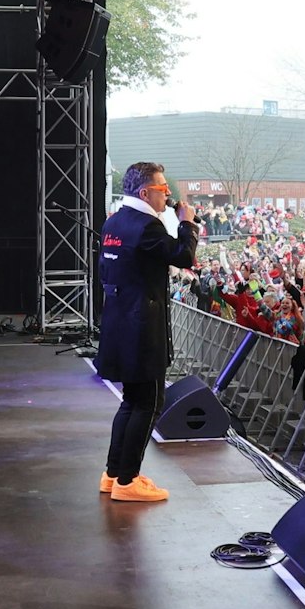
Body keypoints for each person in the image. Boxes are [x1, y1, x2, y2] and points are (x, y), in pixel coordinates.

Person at [96, 161, 198, 502]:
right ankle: (128, 480)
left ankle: (113, 474)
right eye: (162, 188)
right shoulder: (147, 228)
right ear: (145, 192)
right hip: (142, 330)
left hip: (119, 324)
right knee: (148, 405)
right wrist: (187, 224)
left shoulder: (114, 223)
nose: (167, 193)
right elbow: (184, 257)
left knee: (131, 402)